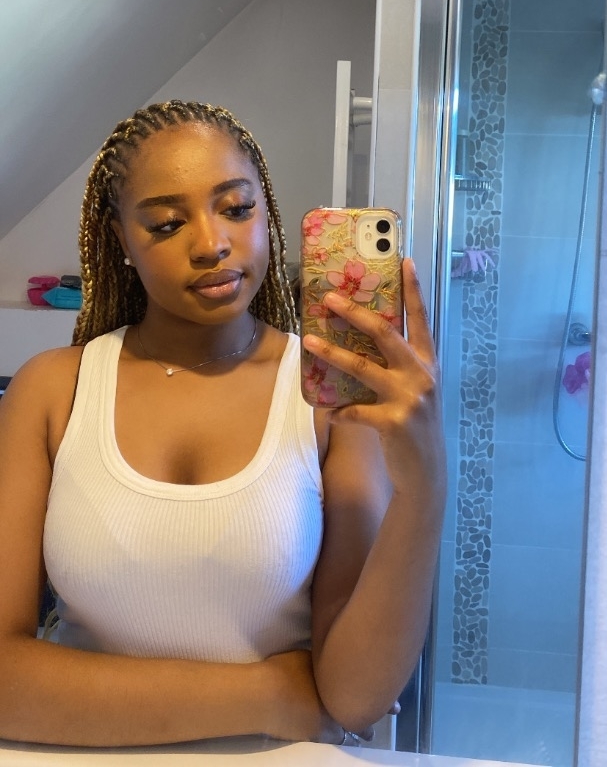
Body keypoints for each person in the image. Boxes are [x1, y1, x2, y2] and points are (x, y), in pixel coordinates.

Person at [0, 100, 446, 749]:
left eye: (236, 209)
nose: (211, 244)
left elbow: (353, 697)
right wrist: (268, 694)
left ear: (266, 214)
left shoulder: (327, 405)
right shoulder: (51, 391)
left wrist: (424, 487)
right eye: (166, 223)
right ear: (122, 240)